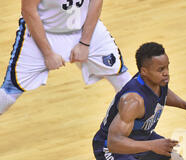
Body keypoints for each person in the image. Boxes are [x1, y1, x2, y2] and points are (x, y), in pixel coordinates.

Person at [0, 0, 132, 115]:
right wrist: (48, 53)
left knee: (128, 86)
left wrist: (85, 42)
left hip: (83, 24)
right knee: (9, 92)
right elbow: (28, 10)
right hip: (43, 31)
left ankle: (132, 134)